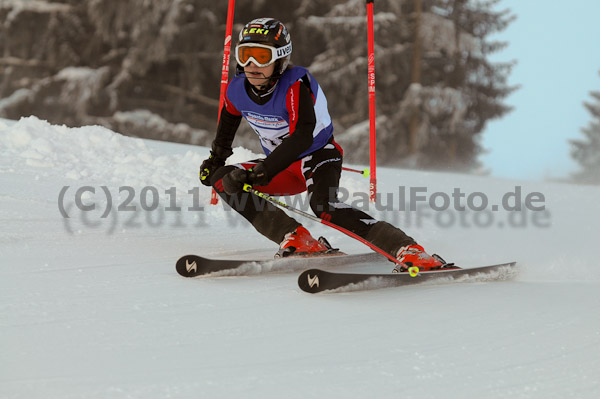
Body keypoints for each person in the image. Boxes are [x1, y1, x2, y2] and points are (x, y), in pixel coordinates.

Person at [199, 17, 444, 272]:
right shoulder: (236, 89)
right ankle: (296, 238)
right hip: (281, 166)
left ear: (280, 59)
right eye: (245, 55)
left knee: (324, 207)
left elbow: (302, 136)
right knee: (224, 179)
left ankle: (407, 248)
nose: (251, 65)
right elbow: (227, 125)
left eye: (262, 57)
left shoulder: (295, 85)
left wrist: (265, 170)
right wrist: (215, 161)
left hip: (318, 156)